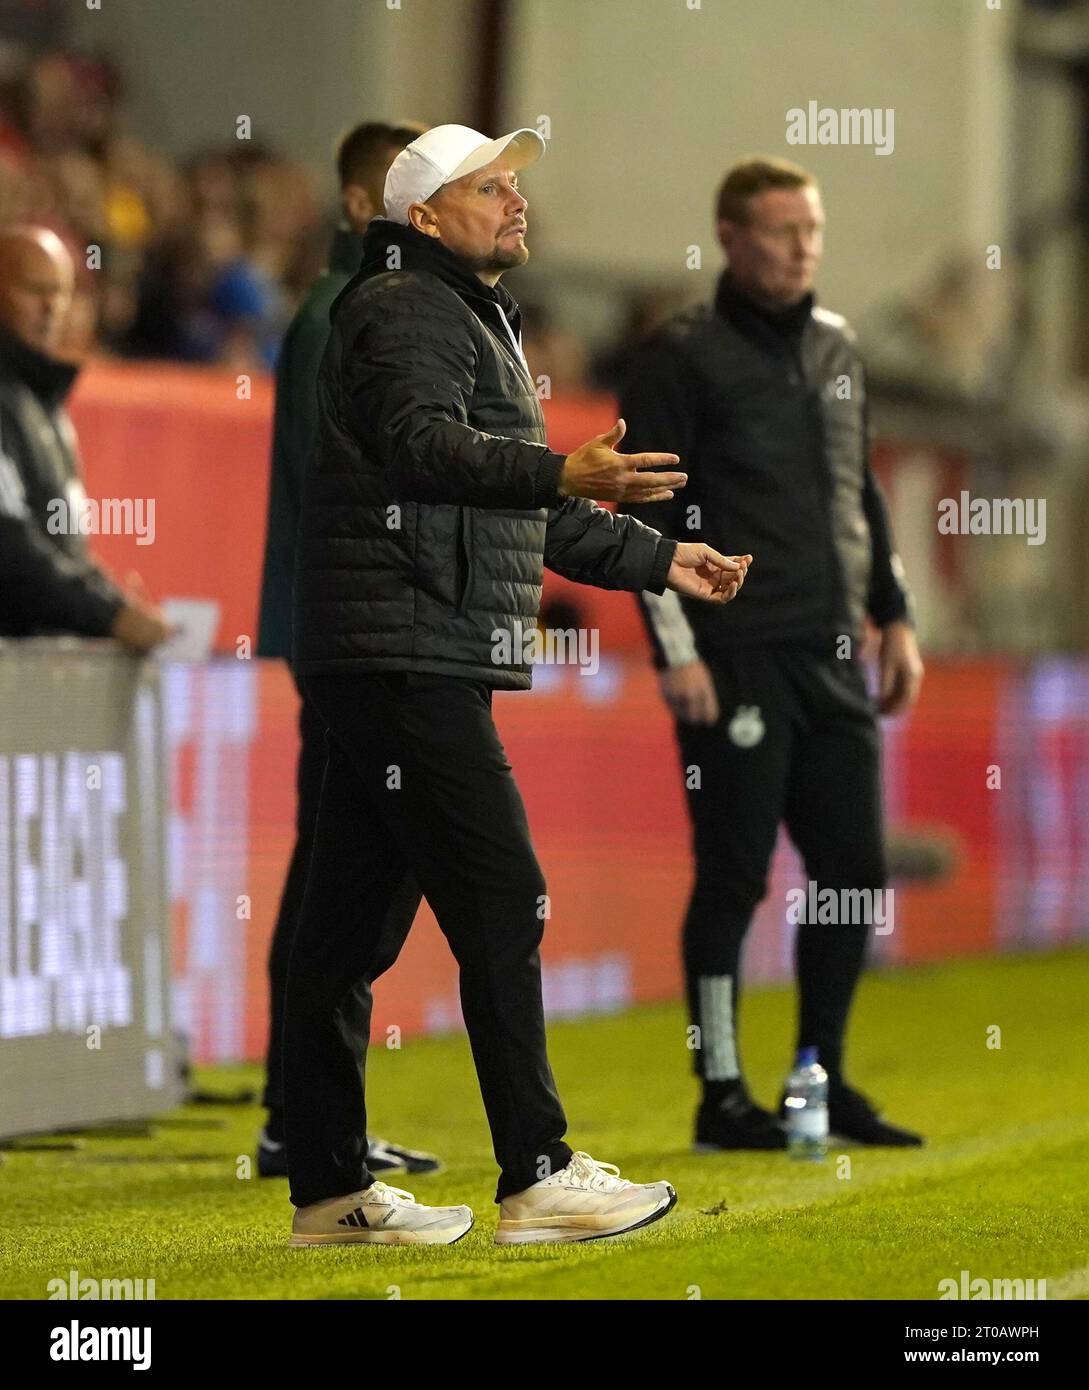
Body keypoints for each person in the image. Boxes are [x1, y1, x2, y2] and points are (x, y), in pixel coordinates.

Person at [284, 123, 750, 1247]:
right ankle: (538, 1177)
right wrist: (555, 467)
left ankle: (332, 1191)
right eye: (488, 186)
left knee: (343, 937)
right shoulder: (403, 307)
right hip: (405, 646)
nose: (516, 200)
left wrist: (661, 560)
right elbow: (420, 448)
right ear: (424, 216)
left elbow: (520, 506)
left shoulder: (458, 311)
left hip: (398, 641)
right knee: (503, 897)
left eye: (515, 185)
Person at [619, 156, 925, 1152]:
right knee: (734, 875)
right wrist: (675, 650)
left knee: (851, 867)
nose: (804, 248)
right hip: (736, 653)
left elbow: (860, 493)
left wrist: (897, 614)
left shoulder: (839, 349)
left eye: (813, 230)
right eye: (783, 230)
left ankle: (818, 1079)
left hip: (833, 655)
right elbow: (643, 509)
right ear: (731, 237)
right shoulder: (680, 357)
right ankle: (720, 1091)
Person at [254, 120, 439, 1182]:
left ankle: (306, 1115)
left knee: (335, 864)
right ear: (366, 208)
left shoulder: (343, 310)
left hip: (337, 624)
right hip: (345, 629)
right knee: (337, 871)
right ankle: (304, 1119)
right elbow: (358, 487)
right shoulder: (342, 318)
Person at [0, 224, 168, 651]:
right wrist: (108, 614)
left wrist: (112, 601)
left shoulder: (44, 404)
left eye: (61, 292)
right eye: (33, 290)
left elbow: (60, 542)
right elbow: (9, 543)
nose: (50, 306)